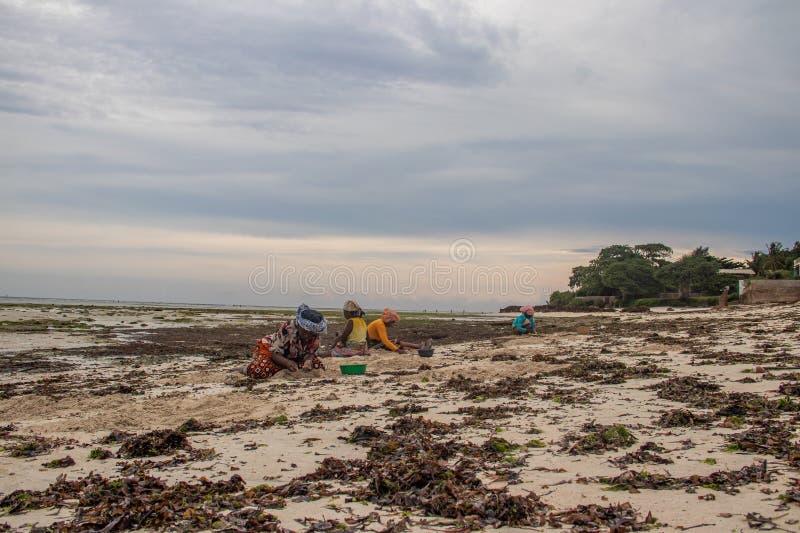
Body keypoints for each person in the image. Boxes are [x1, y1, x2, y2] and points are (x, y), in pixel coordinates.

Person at [245, 304, 327, 379]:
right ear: (299, 325)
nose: (308, 336)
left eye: (311, 333)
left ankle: (279, 369)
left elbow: (311, 353)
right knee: (258, 369)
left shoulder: (315, 334)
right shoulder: (287, 329)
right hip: (274, 354)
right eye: (305, 331)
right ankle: (244, 369)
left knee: (317, 365)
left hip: (294, 358)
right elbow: (274, 354)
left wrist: (308, 361)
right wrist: (287, 363)